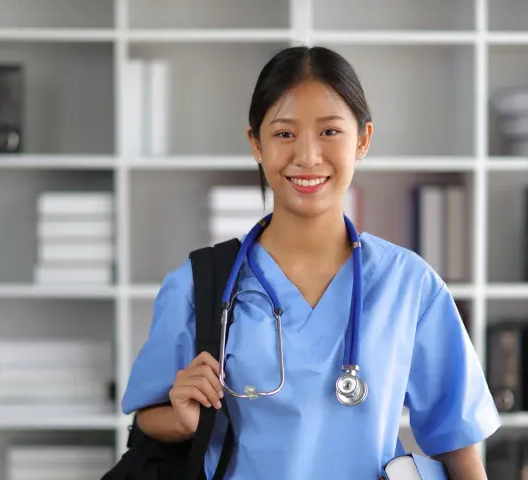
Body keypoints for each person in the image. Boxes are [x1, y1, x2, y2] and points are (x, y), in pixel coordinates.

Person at [120, 45, 502, 479]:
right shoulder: (199, 284)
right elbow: (148, 414)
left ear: (362, 140)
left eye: (329, 132)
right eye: (284, 134)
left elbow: (461, 449)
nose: (307, 156)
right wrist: (183, 419)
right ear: (256, 144)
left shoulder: (409, 284)